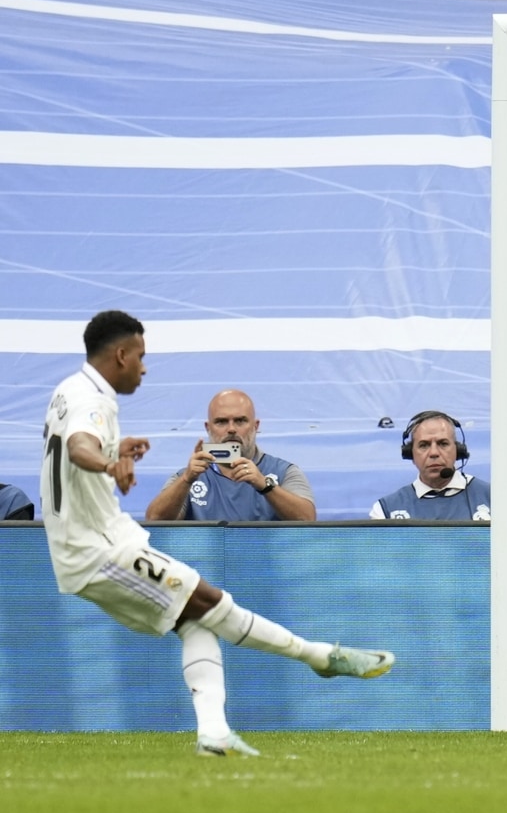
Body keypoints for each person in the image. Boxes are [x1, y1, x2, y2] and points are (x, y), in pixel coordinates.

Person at [39, 311, 393, 756]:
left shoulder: (67, 391)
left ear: (255, 426)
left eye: (239, 422)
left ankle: (213, 733)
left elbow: (77, 444)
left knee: (196, 621)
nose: (144, 369)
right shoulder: (95, 401)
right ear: (121, 354)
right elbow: (79, 447)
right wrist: (109, 462)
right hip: (98, 548)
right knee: (212, 602)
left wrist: (115, 451)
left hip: (101, 539)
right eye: (141, 358)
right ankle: (319, 656)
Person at [144, 389, 315, 521]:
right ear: (208, 428)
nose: (231, 429)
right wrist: (187, 480)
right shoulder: (187, 476)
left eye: (240, 421)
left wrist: (264, 485)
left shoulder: (284, 472)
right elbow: (155, 521)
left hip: (265, 566)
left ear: (255, 426)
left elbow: (307, 519)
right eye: (221, 421)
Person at [370, 410, 490, 521]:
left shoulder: (493, 498)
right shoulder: (385, 511)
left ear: (457, 451)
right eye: (424, 445)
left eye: (443, 444)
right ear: (410, 454)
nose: (434, 453)